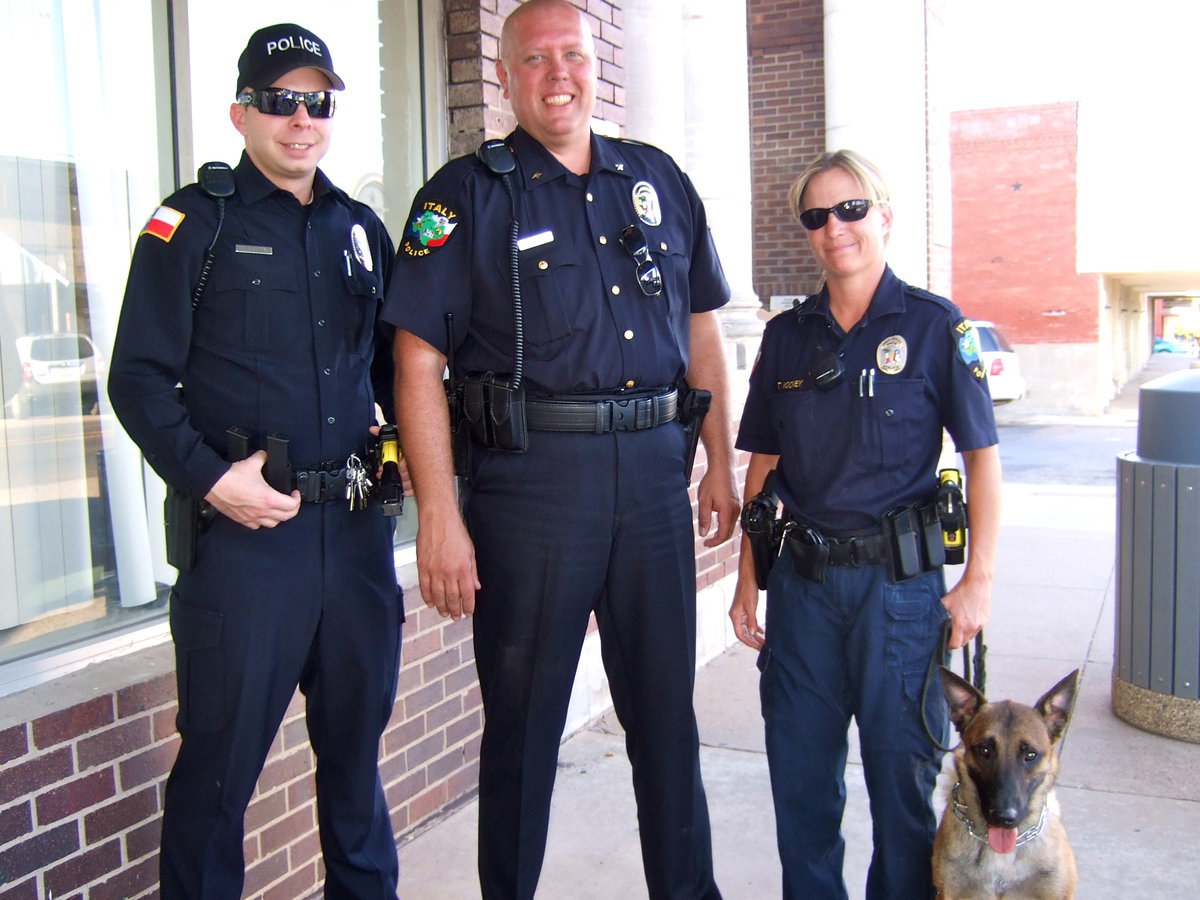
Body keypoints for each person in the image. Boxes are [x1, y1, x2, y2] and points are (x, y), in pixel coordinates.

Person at [383, 1, 739, 897]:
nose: (558, 76)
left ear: (594, 65)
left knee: (666, 724)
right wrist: (437, 515)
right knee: (524, 733)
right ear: (504, 77)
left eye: (572, 55)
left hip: (655, 479)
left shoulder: (657, 181)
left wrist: (720, 461)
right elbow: (415, 360)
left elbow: (702, 330)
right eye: (534, 59)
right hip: (533, 489)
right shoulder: (463, 195)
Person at [107, 24, 403, 899]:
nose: (301, 120)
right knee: (215, 785)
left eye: (317, 102)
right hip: (244, 552)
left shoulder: (359, 230)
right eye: (280, 101)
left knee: (355, 774)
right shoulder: (192, 224)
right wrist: (209, 478)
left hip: (352, 547)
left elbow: (391, 376)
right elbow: (137, 379)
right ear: (243, 112)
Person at [729, 149, 1002, 900]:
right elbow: (763, 468)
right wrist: (748, 581)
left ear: (884, 216)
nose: (834, 228)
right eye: (816, 216)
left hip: (902, 594)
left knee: (903, 793)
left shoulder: (934, 325)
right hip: (805, 596)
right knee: (802, 789)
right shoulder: (788, 338)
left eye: (850, 209)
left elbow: (983, 458)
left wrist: (977, 580)